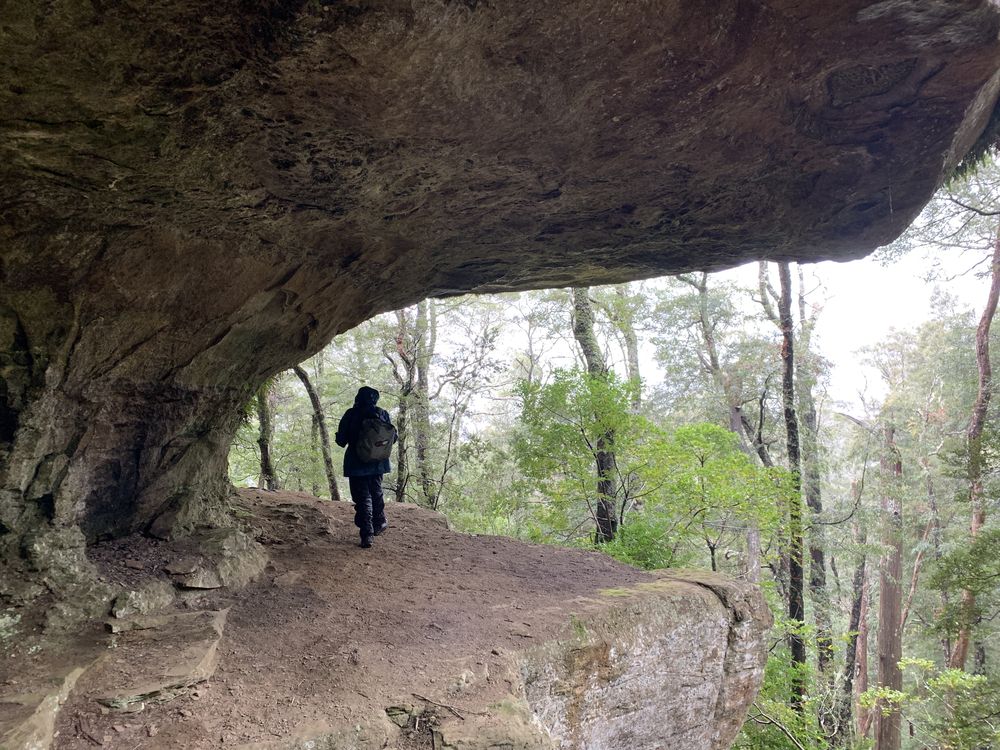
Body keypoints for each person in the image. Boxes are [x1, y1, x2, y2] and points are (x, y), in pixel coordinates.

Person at [335, 386, 397, 548]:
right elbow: (393, 437)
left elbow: (341, 441)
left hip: (356, 463)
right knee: (376, 492)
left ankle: (367, 534)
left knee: (362, 497)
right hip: (378, 462)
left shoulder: (351, 414)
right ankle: (379, 523)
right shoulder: (382, 413)